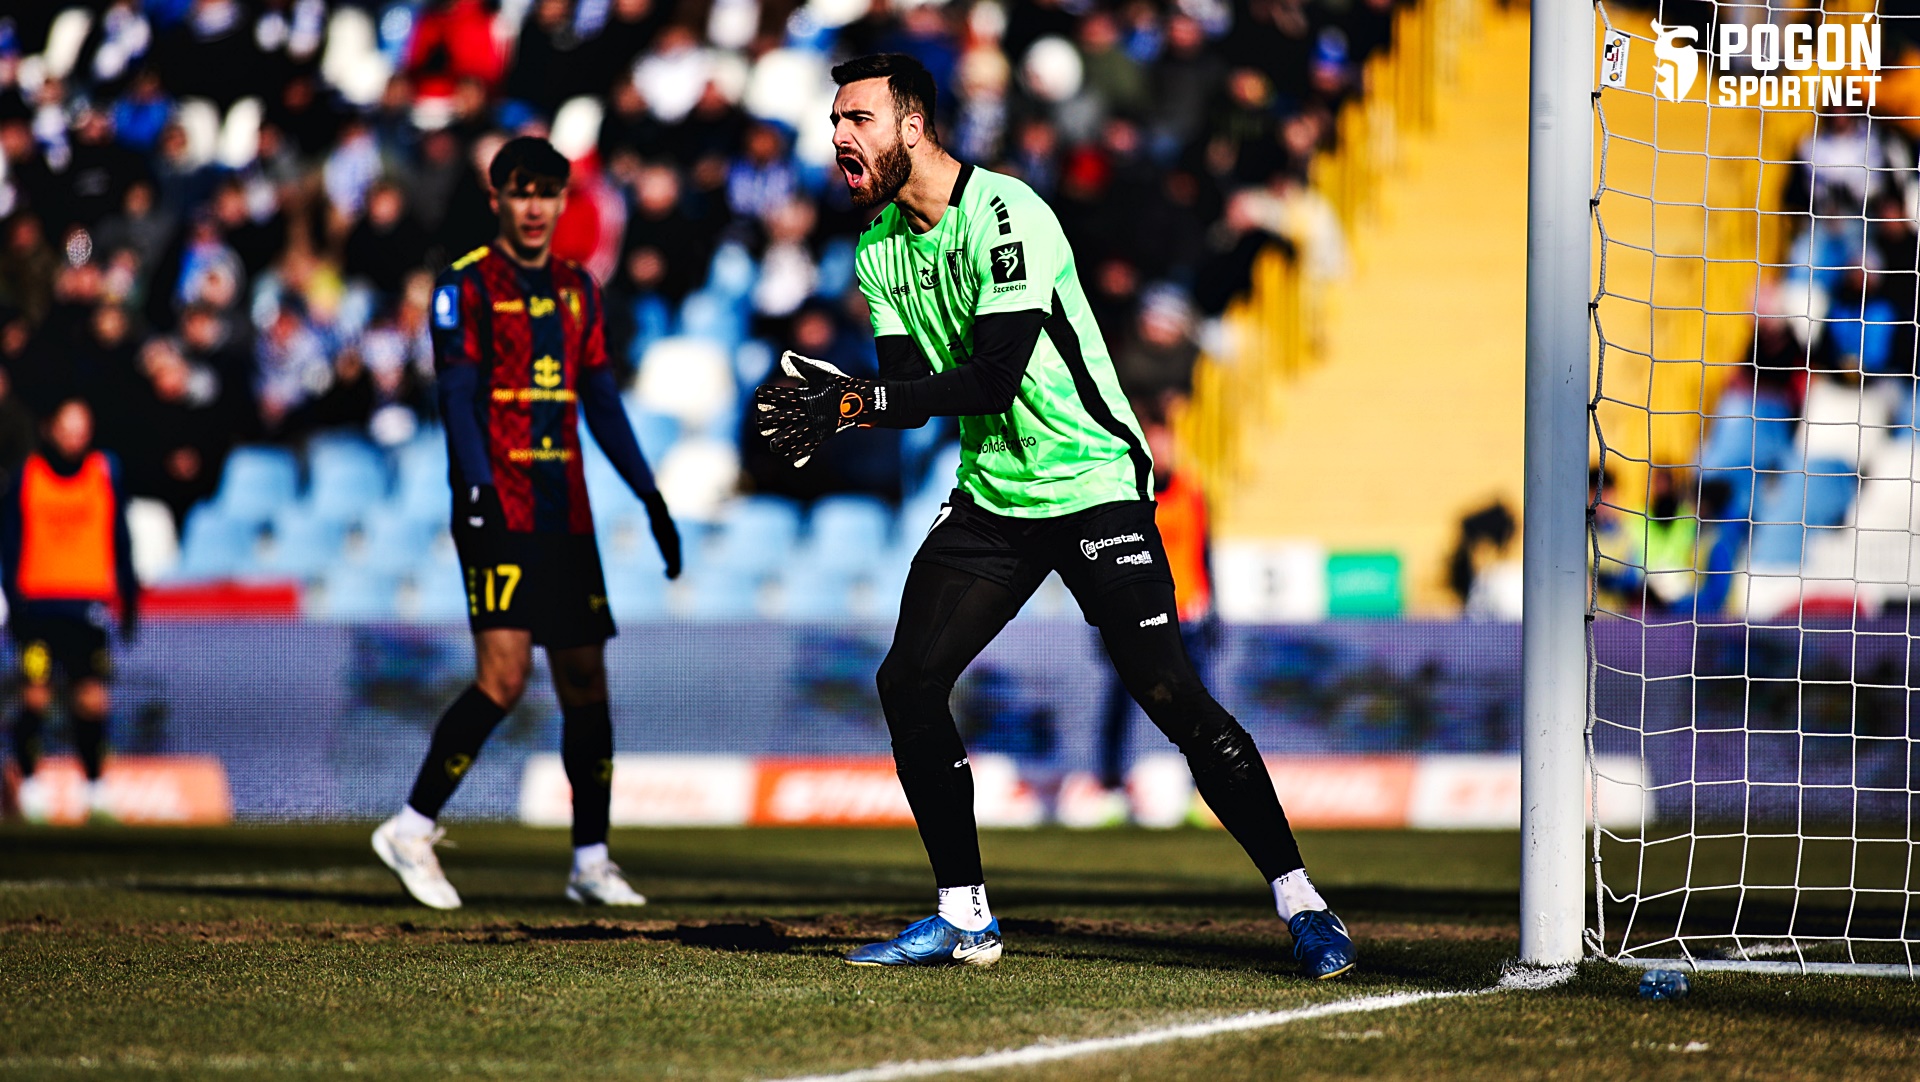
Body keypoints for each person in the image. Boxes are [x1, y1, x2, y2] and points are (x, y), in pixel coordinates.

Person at [755, 54, 1355, 978]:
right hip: (995, 496)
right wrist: (858, 403)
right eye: (835, 120)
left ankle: (1303, 903)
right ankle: (965, 917)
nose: (839, 136)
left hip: (1092, 482)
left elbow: (992, 378)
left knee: (1170, 695)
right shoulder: (877, 249)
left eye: (857, 119)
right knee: (907, 682)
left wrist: (861, 401)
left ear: (912, 127)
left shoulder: (1008, 212)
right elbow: (911, 395)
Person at [372, 137, 682, 910]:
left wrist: (650, 498)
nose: (535, 206)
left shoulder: (580, 290)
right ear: (497, 200)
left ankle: (591, 860)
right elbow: (455, 396)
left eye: (548, 192)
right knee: (504, 678)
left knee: (585, 683)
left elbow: (602, 403)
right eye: (521, 192)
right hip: (498, 506)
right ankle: (410, 828)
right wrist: (476, 490)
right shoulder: (466, 285)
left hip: (565, 513)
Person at [2, 400, 139, 823]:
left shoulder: (104, 474)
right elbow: (9, 544)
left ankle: (95, 788)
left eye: (82, 429)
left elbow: (120, 540)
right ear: (50, 429)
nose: (74, 438)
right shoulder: (28, 475)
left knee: (92, 699)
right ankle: (29, 786)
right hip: (38, 608)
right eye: (67, 428)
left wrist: (130, 600)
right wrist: (15, 603)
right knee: (35, 695)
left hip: (87, 607)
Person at [1094, 416, 1218, 817]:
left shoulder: (1192, 492)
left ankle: (1205, 792)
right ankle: (1111, 789)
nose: (1163, 453)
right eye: (1156, 445)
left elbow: (1205, 553)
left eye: (1167, 444)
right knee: (1122, 702)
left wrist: (1215, 611)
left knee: (1197, 707)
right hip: (1135, 617)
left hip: (1187, 620)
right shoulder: (1126, 494)